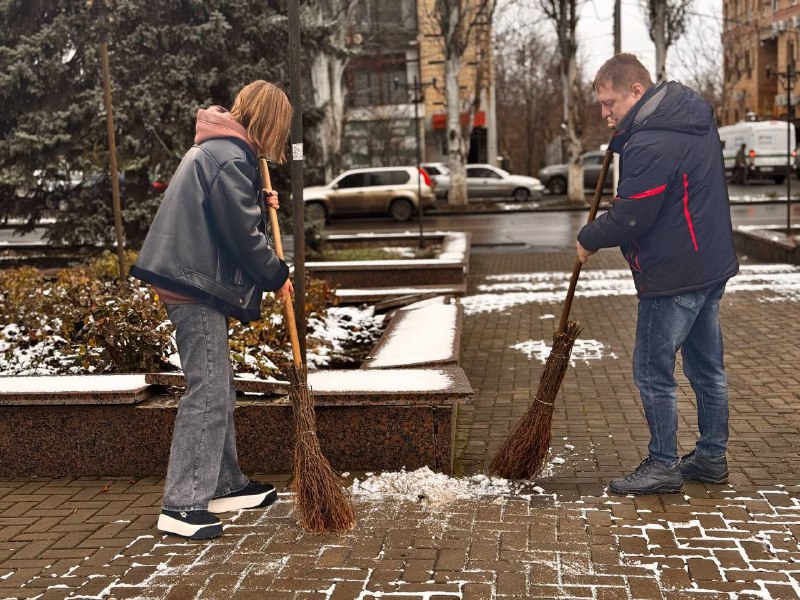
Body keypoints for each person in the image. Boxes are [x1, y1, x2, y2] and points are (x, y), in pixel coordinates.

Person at [131, 80, 293, 539]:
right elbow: (240, 236)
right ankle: (182, 503)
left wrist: (259, 203)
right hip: (193, 284)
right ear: (269, 121)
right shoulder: (228, 156)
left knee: (217, 386)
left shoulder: (224, 152)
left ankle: (223, 482)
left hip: (192, 278)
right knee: (207, 391)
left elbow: (227, 215)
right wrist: (276, 273)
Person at [576, 54, 739, 495]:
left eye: (610, 103)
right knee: (707, 368)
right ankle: (710, 457)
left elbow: (633, 216)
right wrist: (623, 139)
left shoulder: (653, 141)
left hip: (673, 275)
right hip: (708, 266)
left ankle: (664, 464)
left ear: (636, 91)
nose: (604, 113)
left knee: (653, 371)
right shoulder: (687, 120)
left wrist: (589, 236)